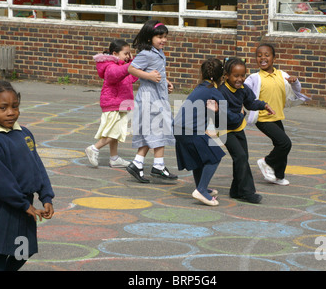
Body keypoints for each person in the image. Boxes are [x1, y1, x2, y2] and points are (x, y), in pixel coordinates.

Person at [0, 80, 55, 271]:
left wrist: (46, 196)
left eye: (15, 106)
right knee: (1, 252)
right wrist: (23, 204)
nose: (10, 112)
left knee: (23, 252)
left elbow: (37, 166)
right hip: (4, 206)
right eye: (3, 108)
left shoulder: (24, 133)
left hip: (24, 205)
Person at [173, 58, 245, 206]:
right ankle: (200, 190)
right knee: (214, 156)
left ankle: (202, 187)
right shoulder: (213, 91)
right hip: (191, 130)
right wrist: (241, 115)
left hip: (178, 129)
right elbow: (228, 117)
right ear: (222, 76)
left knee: (198, 158)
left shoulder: (199, 88)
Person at [245, 43, 310, 185]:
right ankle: (266, 162)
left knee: (281, 146)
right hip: (263, 118)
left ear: (274, 58)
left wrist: (295, 81)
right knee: (285, 143)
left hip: (277, 116)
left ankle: (278, 176)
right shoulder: (254, 78)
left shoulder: (282, 75)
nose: (262, 58)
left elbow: (296, 89)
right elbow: (243, 93)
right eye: (259, 55)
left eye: (266, 55)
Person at [126, 20, 177, 183]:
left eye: (165, 37)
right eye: (160, 37)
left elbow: (158, 72)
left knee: (153, 131)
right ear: (149, 38)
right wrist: (148, 76)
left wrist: (165, 81)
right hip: (149, 99)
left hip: (158, 96)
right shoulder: (146, 54)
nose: (163, 40)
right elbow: (131, 69)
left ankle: (138, 164)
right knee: (158, 130)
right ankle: (158, 166)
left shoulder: (158, 52)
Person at [219, 57, 275, 203]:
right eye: (236, 76)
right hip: (224, 129)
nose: (240, 79)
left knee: (243, 157)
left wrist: (263, 105)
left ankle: (236, 190)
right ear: (226, 76)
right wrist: (240, 115)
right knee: (240, 157)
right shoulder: (222, 92)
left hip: (238, 128)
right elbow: (224, 115)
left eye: (243, 75)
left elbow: (250, 103)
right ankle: (247, 192)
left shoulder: (243, 89)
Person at [85, 40, 138, 168]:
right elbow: (116, 74)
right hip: (113, 103)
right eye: (126, 53)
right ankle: (94, 148)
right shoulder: (110, 66)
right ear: (115, 53)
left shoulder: (121, 65)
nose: (128, 56)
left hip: (121, 103)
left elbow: (132, 77)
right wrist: (131, 65)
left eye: (129, 54)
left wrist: (131, 62)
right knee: (116, 131)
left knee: (115, 131)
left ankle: (114, 158)